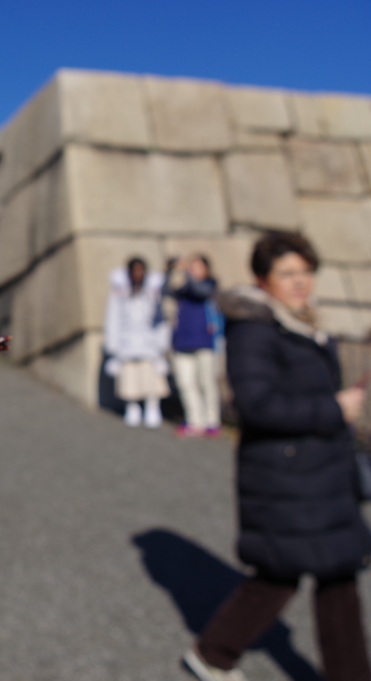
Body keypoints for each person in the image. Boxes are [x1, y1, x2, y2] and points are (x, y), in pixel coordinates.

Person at [184, 231, 371, 681]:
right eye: (287, 273)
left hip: (316, 471)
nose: (300, 281)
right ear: (262, 279)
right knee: (287, 574)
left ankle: (213, 655)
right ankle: (212, 655)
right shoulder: (255, 329)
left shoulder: (298, 323)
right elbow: (256, 405)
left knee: (324, 574)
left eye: (306, 271)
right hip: (287, 475)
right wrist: (334, 409)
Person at [103, 257, 170, 429]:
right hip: (127, 344)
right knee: (129, 380)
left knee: (151, 378)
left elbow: (160, 318)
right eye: (135, 270)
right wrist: (113, 346)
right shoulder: (119, 292)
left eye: (141, 270)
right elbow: (113, 318)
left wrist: (162, 344)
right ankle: (132, 408)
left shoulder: (153, 292)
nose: (138, 274)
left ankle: (152, 408)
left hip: (150, 344)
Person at [163, 254, 222, 438]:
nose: (193, 270)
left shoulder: (210, 284)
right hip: (182, 341)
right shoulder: (182, 289)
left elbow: (200, 291)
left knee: (206, 382)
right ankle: (194, 420)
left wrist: (186, 274)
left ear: (206, 269)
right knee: (185, 383)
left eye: (197, 267)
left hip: (205, 340)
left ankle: (212, 421)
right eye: (191, 267)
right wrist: (169, 271)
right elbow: (165, 292)